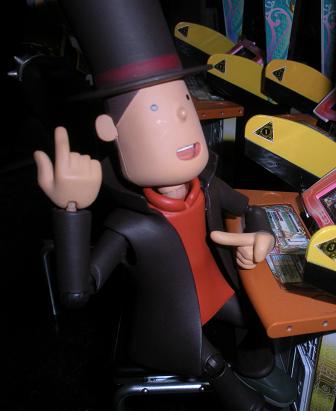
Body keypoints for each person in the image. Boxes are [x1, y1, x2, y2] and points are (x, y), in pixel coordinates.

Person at [33, 0, 296, 409]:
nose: (183, 119)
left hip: (217, 289)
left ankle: (255, 366)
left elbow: (248, 207)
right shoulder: (129, 224)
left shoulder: (208, 186)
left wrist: (261, 234)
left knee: (258, 318)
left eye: (184, 103)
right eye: (156, 110)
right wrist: (72, 212)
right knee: (214, 366)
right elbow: (78, 292)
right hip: (172, 319)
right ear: (111, 131)